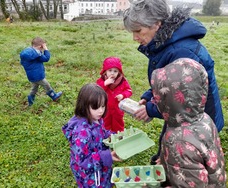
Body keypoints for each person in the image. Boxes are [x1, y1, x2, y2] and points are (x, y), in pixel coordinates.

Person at [123, 0, 224, 164]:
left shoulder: (181, 51)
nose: (135, 37)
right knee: (170, 147)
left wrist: (150, 109)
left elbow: (183, 99)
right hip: (184, 116)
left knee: (187, 163)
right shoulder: (165, 42)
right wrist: (149, 96)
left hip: (198, 121)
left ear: (156, 24)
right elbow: (168, 80)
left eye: (138, 31)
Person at [150, 58, 226, 187]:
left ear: (167, 100)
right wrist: (165, 159)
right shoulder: (202, 118)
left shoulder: (179, 141)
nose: (153, 100)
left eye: (158, 96)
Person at [62, 83, 121, 188]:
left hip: (100, 169)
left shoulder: (95, 119)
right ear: (84, 106)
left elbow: (101, 133)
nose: (101, 111)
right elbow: (82, 161)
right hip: (91, 176)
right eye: (96, 107)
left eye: (103, 106)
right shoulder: (81, 134)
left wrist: (113, 136)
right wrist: (106, 156)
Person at [20, 37, 62, 106]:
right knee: (47, 85)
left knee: (34, 88)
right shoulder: (31, 54)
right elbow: (46, 58)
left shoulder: (35, 53)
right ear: (40, 46)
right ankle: (54, 96)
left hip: (32, 76)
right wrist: (46, 49)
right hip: (37, 76)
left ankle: (30, 100)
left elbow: (45, 59)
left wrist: (40, 52)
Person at [96, 57, 132, 133]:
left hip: (117, 108)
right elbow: (96, 90)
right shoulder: (102, 80)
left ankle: (118, 136)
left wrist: (123, 95)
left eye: (115, 71)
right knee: (105, 123)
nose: (112, 73)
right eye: (110, 70)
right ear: (105, 71)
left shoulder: (122, 81)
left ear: (119, 72)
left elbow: (129, 90)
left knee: (118, 123)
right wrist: (105, 83)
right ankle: (106, 136)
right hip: (105, 108)